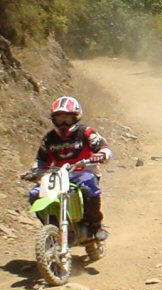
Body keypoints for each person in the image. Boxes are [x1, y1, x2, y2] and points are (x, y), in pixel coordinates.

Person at [27, 96, 113, 240]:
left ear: (76, 117)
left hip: (84, 172)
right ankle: (52, 227)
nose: (64, 123)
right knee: (35, 194)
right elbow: (41, 161)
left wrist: (100, 155)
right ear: (53, 119)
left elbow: (104, 148)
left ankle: (95, 226)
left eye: (68, 118)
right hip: (59, 176)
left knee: (87, 188)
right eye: (60, 119)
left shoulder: (86, 132)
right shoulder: (49, 138)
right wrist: (35, 172)